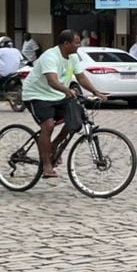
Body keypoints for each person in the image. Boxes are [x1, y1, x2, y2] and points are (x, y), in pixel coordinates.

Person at [21, 29, 107, 180]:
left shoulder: (73, 57)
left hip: (57, 95)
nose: (79, 45)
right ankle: (46, 165)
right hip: (37, 95)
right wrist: (67, 90)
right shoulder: (50, 56)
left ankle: (54, 146)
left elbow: (81, 77)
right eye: (76, 42)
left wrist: (96, 92)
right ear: (65, 43)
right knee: (47, 126)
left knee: (75, 120)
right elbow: (52, 81)